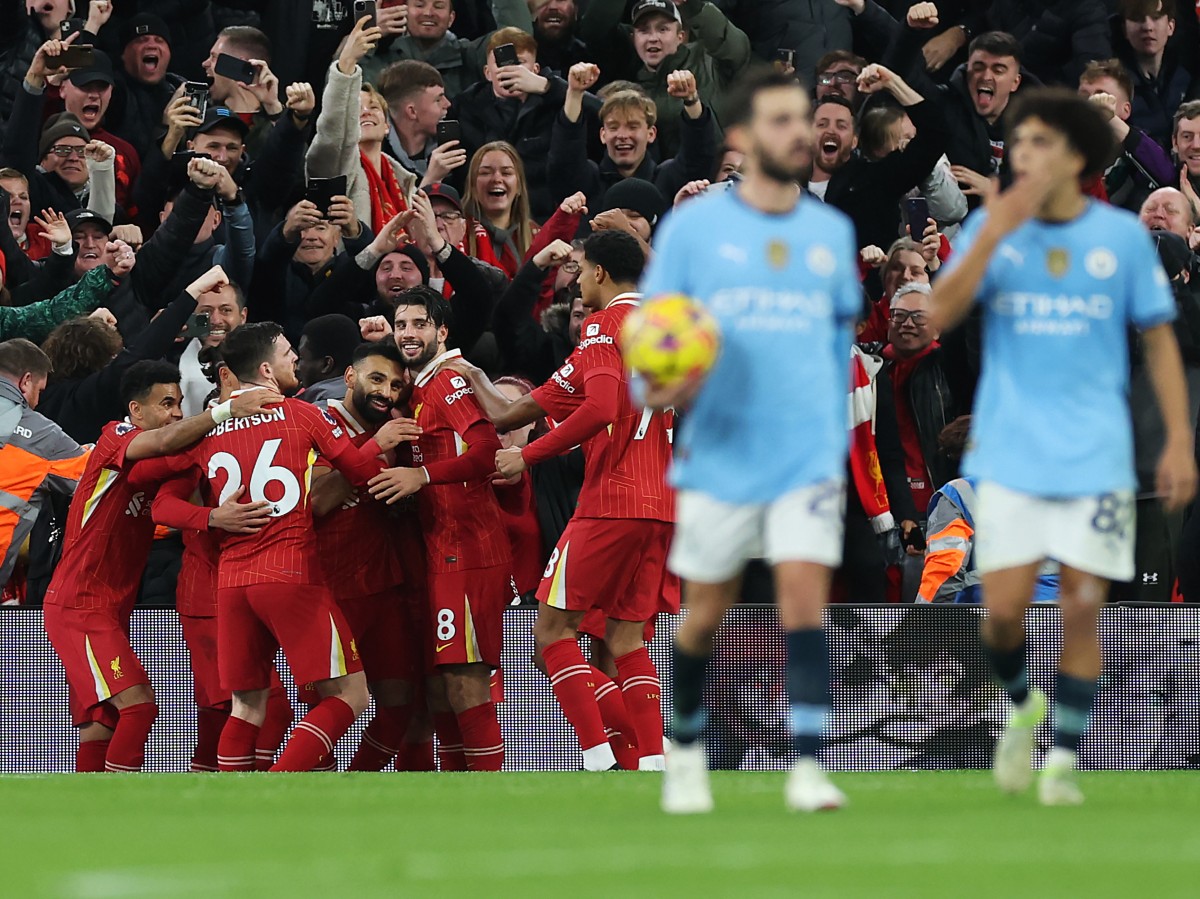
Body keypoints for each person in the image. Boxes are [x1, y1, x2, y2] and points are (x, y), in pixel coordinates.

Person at [929, 88, 1197, 804]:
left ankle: (1060, 763)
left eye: (1039, 143)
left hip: (1097, 457)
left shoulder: (1118, 240)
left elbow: (1163, 344)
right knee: (1003, 612)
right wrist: (990, 230)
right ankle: (1024, 708)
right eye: (1018, 145)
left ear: (1075, 156)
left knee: (1082, 606)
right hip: (1010, 455)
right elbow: (937, 314)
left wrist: (1177, 442)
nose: (1024, 156)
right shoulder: (998, 232)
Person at [639, 68, 861, 813]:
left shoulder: (830, 232)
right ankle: (688, 752)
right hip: (720, 451)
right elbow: (656, 341)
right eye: (780, 120)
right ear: (740, 136)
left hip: (803, 452)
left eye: (804, 119)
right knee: (705, 610)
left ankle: (806, 764)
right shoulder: (694, 230)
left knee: (805, 603)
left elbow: (838, 350)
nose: (799, 132)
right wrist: (660, 388)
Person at [458, 230, 675, 771]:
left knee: (551, 632)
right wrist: (476, 379)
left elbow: (600, 408)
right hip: (661, 504)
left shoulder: (605, 326)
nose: (575, 281)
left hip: (611, 499)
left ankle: (596, 754)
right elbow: (514, 413)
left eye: (579, 270)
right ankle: (651, 759)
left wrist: (525, 459)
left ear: (599, 272)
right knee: (626, 637)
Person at [176, 322, 413, 773]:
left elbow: (167, 493)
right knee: (351, 694)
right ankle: (282, 784)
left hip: (230, 581)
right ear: (266, 369)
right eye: (287, 354)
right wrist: (379, 446)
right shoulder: (305, 415)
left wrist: (206, 519)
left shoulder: (207, 429)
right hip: (290, 572)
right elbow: (358, 473)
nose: (294, 361)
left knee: (246, 707)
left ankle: (232, 808)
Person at [41, 359, 281, 772]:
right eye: (166, 403)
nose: (175, 412)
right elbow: (167, 448)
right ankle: (124, 810)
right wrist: (223, 412)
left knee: (102, 722)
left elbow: (171, 466)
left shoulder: (151, 465)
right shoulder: (114, 437)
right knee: (138, 708)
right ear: (135, 411)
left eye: (179, 403)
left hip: (111, 607)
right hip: (80, 605)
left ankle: (87, 818)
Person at [367, 287, 512, 771]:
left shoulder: (448, 380)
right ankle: (453, 793)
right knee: (439, 684)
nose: (408, 333)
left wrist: (422, 475)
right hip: (441, 550)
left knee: (463, 677)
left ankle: (491, 795)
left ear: (441, 332)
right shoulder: (419, 388)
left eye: (419, 324)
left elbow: (487, 448)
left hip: (468, 547)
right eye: (401, 324)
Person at [309, 341, 424, 771]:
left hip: (383, 584)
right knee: (329, 706)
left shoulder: (396, 431)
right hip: (333, 588)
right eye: (377, 379)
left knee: (399, 704)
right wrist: (374, 446)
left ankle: (358, 784)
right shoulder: (319, 423)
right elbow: (317, 501)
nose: (387, 392)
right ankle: (304, 795)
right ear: (351, 377)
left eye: (396, 385)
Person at [0, 339, 91, 594]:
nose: (37, 402)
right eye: (39, 391)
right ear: (25, 381)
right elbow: (94, 479)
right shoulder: (43, 436)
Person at [297, 314, 366, 403]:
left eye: (302, 358)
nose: (297, 367)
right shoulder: (370, 400)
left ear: (327, 364)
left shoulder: (314, 413)